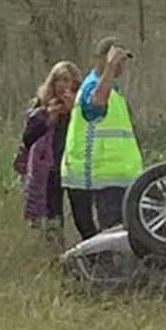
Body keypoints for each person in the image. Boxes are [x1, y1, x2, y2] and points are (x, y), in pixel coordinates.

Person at [61, 36, 144, 240]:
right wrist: (109, 67)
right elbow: (96, 105)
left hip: (115, 176)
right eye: (119, 61)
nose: (121, 67)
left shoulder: (112, 90)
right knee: (109, 235)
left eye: (122, 62)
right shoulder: (93, 86)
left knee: (118, 232)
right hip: (98, 175)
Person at [17, 60, 81, 245]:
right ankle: (54, 249)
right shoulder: (40, 106)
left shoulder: (82, 106)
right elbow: (28, 139)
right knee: (52, 215)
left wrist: (73, 112)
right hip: (49, 169)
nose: (64, 85)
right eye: (60, 80)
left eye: (69, 81)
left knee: (78, 214)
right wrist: (48, 119)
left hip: (74, 167)